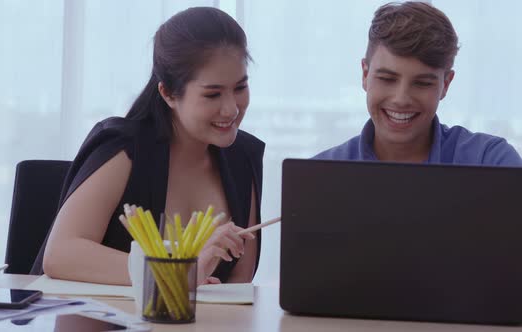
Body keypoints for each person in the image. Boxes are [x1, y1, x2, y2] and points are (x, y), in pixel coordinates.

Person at [30, 7, 264, 286]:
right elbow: (61, 255)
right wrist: (178, 274)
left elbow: (238, 287)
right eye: (212, 94)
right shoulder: (124, 148)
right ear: (168, 93)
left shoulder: (244, 155)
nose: (231, 109)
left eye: (240, 88)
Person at [314, 1, 522, 165]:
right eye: (387, 79)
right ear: (365, 75)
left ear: (446, 85)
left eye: (422, 83)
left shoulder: (491, 161)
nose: (401, 99)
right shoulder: (317, 175)